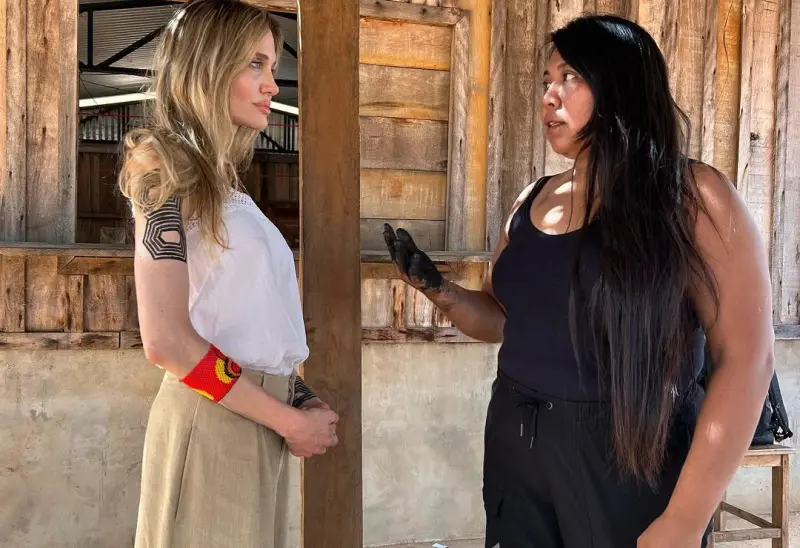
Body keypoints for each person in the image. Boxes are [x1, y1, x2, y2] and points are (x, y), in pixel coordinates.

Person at [383, 14, 774, 548]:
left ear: (621, 83)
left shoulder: (692, 198)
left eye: (569, 77)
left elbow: (747, 359)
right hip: (517, 446)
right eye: (547, 79)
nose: (549, 95)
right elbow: (501, 321)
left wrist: (684, 521)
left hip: (629, 462)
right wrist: (439, 290)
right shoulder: (533, 198)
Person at [118, 1, 339, 546]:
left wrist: (297, 396)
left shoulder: (223, 184)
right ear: (209, 67)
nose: (272, 85)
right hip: (214, 421)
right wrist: (288, 420)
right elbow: (167, 341)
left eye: (272, 66)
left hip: (254, 418)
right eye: (254, 64)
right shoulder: (164, 169)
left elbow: (243, 327)